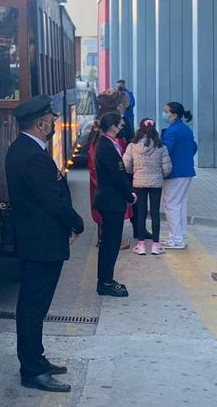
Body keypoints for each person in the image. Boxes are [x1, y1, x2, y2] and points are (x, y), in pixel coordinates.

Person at [5, 95, 84, 393]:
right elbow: (52, 199)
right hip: (41, 242)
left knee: (34, 307)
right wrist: (77, 222)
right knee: (32, 308)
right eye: (50, 118)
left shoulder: (25, 150)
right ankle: (33, 370)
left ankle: (36, 359)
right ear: (40, 123)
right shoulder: (31, 155)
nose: (54, 122)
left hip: (39, 240)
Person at [93, 112, 135, 296]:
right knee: (110, 243)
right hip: (111, 201)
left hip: (110, 200)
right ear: (112, 126)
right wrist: (129, 195)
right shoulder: (106, 146)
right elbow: (116, 176)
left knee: (110, 242)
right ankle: (105, 282)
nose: (122, 127)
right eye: (120, 124)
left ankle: (106, 279)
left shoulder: (107, 143)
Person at [123, 118, 172, 255]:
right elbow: (167, 168)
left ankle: (141, 244)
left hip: (138, 182)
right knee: (155, 213)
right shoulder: (161, 146)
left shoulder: (132, 146)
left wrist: (134, 172)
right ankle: (156, 245)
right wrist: (159, 174)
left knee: (141, 213)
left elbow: (126, 165)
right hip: (156, 183)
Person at [161, 102, 197, 249]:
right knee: (180, 205)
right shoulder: (185, 129)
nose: (164, 114)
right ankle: (180, 236)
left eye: (166, 111)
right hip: (187, 171)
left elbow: (165, 150)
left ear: (174, 115)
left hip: (175, 173)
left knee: (171, 205)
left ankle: (176, 239)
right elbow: (194, 147)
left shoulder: (173, 131)